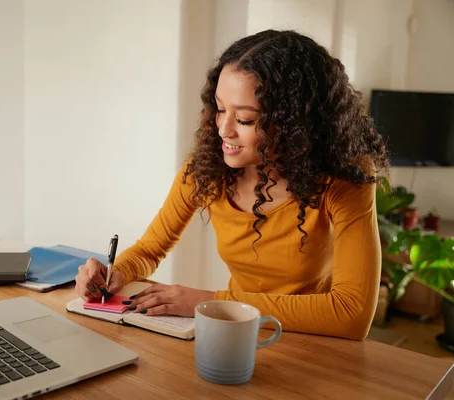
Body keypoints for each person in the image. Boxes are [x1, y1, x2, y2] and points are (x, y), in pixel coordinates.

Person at [74, 30, 388, 340]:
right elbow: (150, 249)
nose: (224, 129)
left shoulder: (345, 178)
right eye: (220, 109)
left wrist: (210, 303)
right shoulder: (206, 170)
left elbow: (351, 313)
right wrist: (115, 274)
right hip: (237, 334)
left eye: (246, 120)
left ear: (296, 124)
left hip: (313, 340)